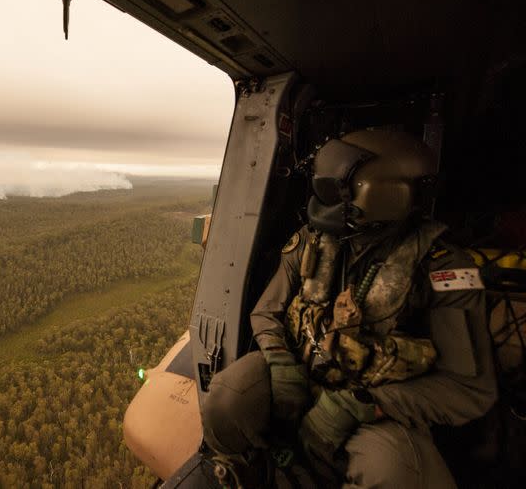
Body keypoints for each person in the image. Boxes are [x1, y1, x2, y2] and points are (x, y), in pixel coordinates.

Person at [201, 130, 497, 488]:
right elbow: (266, 312)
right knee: (227, 399)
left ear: (382, 193)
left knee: (394, 472)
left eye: (335, 190)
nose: (321, 202)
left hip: (374, 405)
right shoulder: (315, 239)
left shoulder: (441, 267)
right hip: (302, 373)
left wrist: (362, 404)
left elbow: (467, 389)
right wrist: (280, 362)